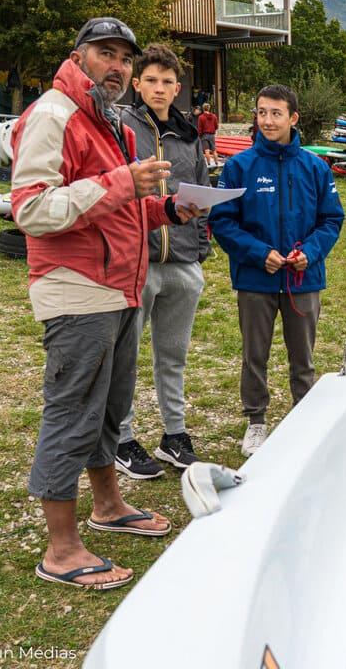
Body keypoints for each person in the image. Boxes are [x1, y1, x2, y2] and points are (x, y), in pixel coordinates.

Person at [10, 17, 204, 590]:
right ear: (78, 56)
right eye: (106, 53)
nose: (117, 65)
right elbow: (32, 209)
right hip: (76, 286)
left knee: (111, 409)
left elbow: (117, 206)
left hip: (119, 284)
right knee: (72, 412)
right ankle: (62, 549)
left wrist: (168, 211)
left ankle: (108, 505)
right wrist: (123, 183)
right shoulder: (53, 114)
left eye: (125, 57)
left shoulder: (108, 120)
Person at [209, 84, 345, 457]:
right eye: (261, 112)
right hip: (257, 279)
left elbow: (332, 219)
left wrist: (310, 253)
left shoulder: (316, 168)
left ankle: (304, 417)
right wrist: (258, 253)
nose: (267, 120)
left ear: (293, 118)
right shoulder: (239, 167)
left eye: (275, 113)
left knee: (303, 356)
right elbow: (222, 221)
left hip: (304, 279)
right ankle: (256, 422)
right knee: (255, 354)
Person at [117, 44, 210, 475]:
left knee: (173, 354)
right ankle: (121, 438)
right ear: (137, 85)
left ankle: (174, 435)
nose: (159, 88)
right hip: (140, 260)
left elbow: (203, 191)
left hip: (184, 262)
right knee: (126, 355)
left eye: (167, 82)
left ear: (178, 88)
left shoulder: (189, 134)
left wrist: (200, 247)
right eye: (151, 80)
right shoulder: (120, 127)